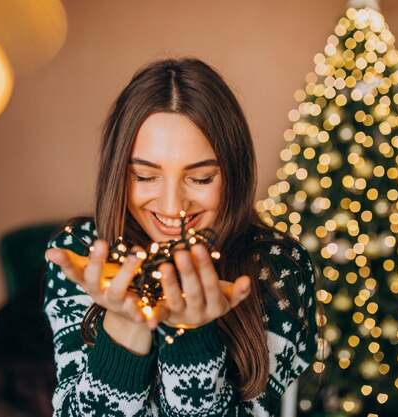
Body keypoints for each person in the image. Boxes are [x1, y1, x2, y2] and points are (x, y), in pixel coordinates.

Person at [43, 58, 318, 416]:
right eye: (144, 176)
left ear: (233, 173)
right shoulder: (83, 253)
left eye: (201, 178)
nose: (173, 206)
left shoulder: (277, 269)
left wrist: (191, 338)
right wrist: (124, 327)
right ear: (118, 174)